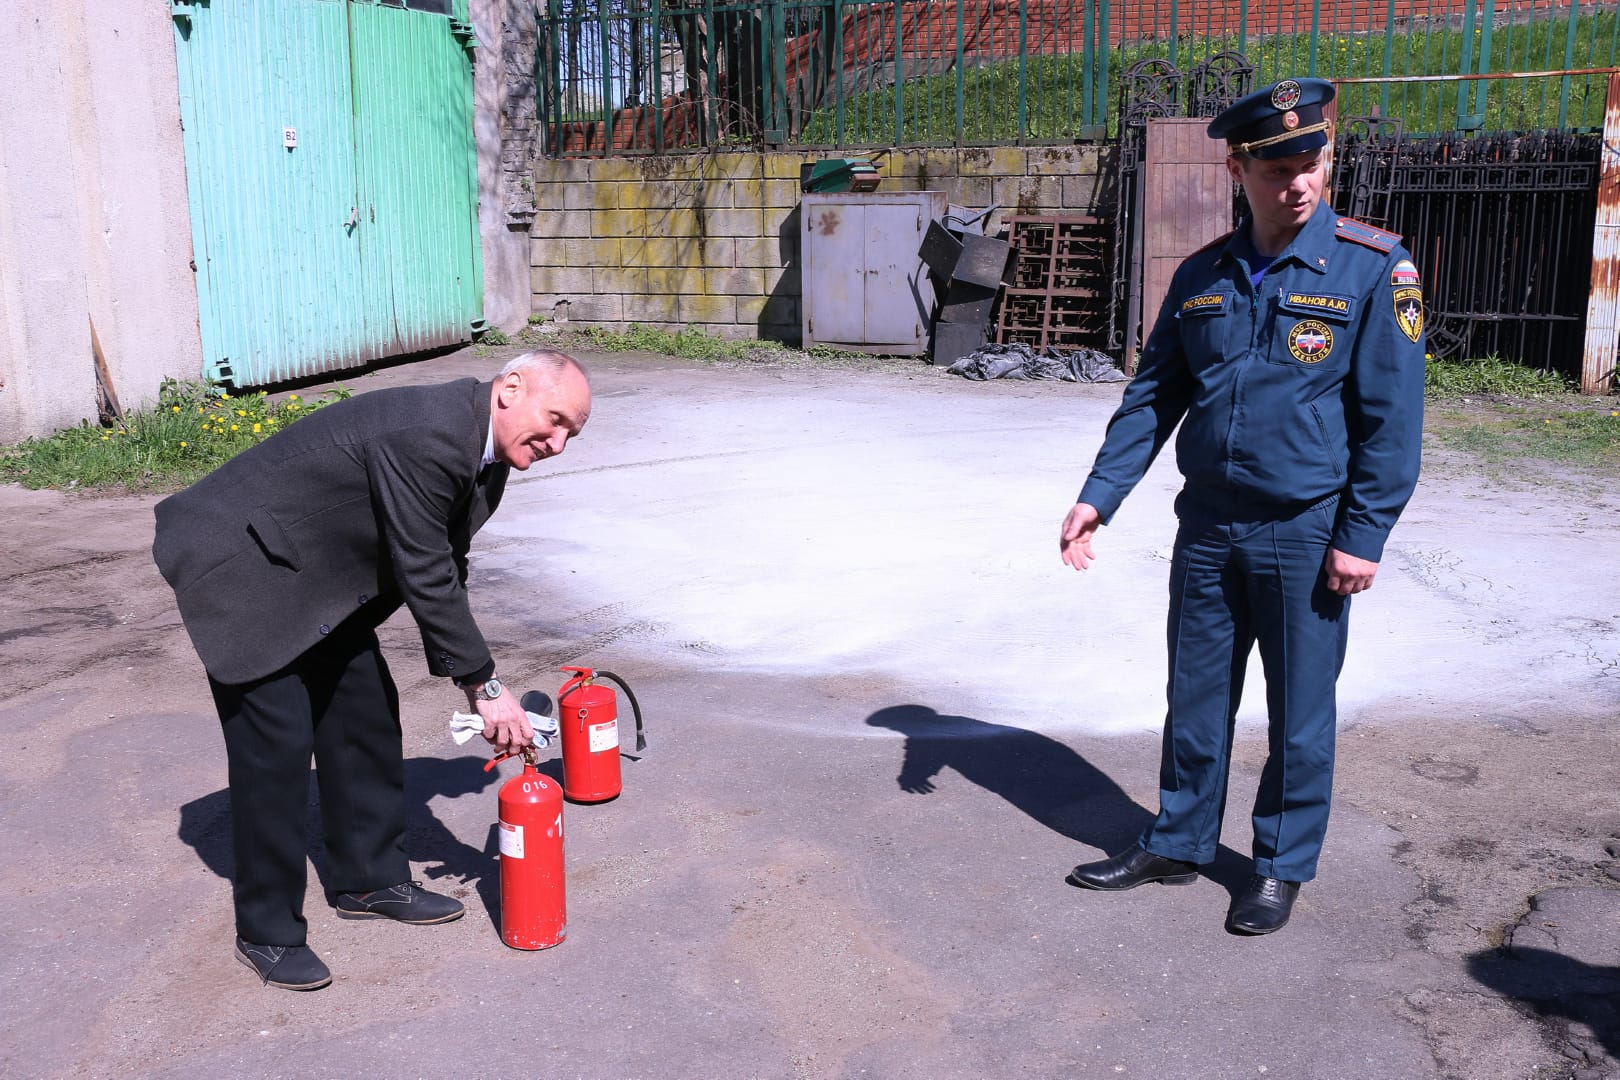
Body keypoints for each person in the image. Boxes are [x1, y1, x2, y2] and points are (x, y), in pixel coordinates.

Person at [1059, 79, 1424, 935]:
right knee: (1194, 693)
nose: (1298, 183)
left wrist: (1361, 537)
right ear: (1238, 169)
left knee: (1299, 710)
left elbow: (1392, 421)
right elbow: (1153, 398)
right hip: (1209, 526)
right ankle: (1179, 841)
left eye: (1312, 164)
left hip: (1305, 531)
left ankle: (1278, 867)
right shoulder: (1201, 276)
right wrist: (1098, 496)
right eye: (1279, 169)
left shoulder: (1374, 269)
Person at [153, 350, 592, 988]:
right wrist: (485, 685)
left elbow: (446, 560)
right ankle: (268, 929)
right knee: (275, 748)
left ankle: (368, 881)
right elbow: (424, 568)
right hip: (244, 566)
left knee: (364, 717)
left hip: (314, 575)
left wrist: (470, 681)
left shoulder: (486, 456)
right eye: (553, 420)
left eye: (569, 434)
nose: (556, 442)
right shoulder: (432, 432)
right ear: (511, 388)